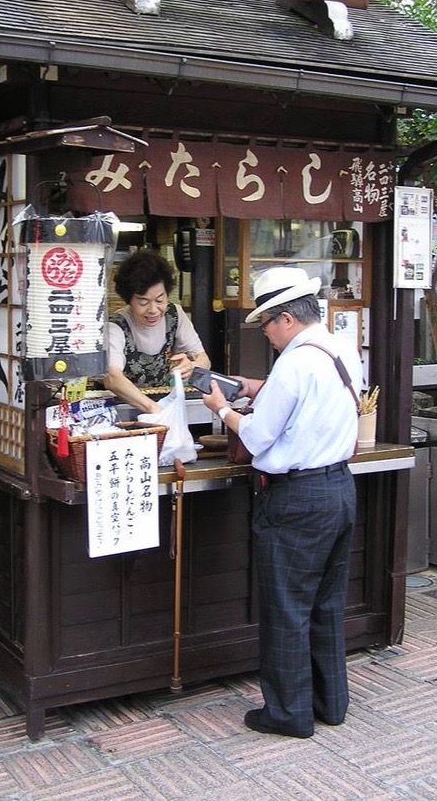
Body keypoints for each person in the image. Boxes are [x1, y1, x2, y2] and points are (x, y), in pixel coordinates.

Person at [202, 266, 363, 739]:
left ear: (287, 318)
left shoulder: (294, 362)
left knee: (287, 607)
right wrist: (250, 387)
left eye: (267, 323)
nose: (266, 333)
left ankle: (288, 713)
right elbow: (305, 405)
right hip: (338, 489)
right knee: (326, 604)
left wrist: (222, 408)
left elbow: (257, 433)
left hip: (296, 498)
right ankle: (330, 702)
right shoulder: (338, 348)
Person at [104, 249, 210, 413]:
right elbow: (113, 378)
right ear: (129, 300)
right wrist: (154, 409)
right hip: (125, 408)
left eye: (160, 300)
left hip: (166, 404)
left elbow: (204, 360)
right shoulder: (116, 326)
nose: (153, 310)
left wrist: (193, 366)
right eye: (143, 302)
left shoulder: (174, 315)